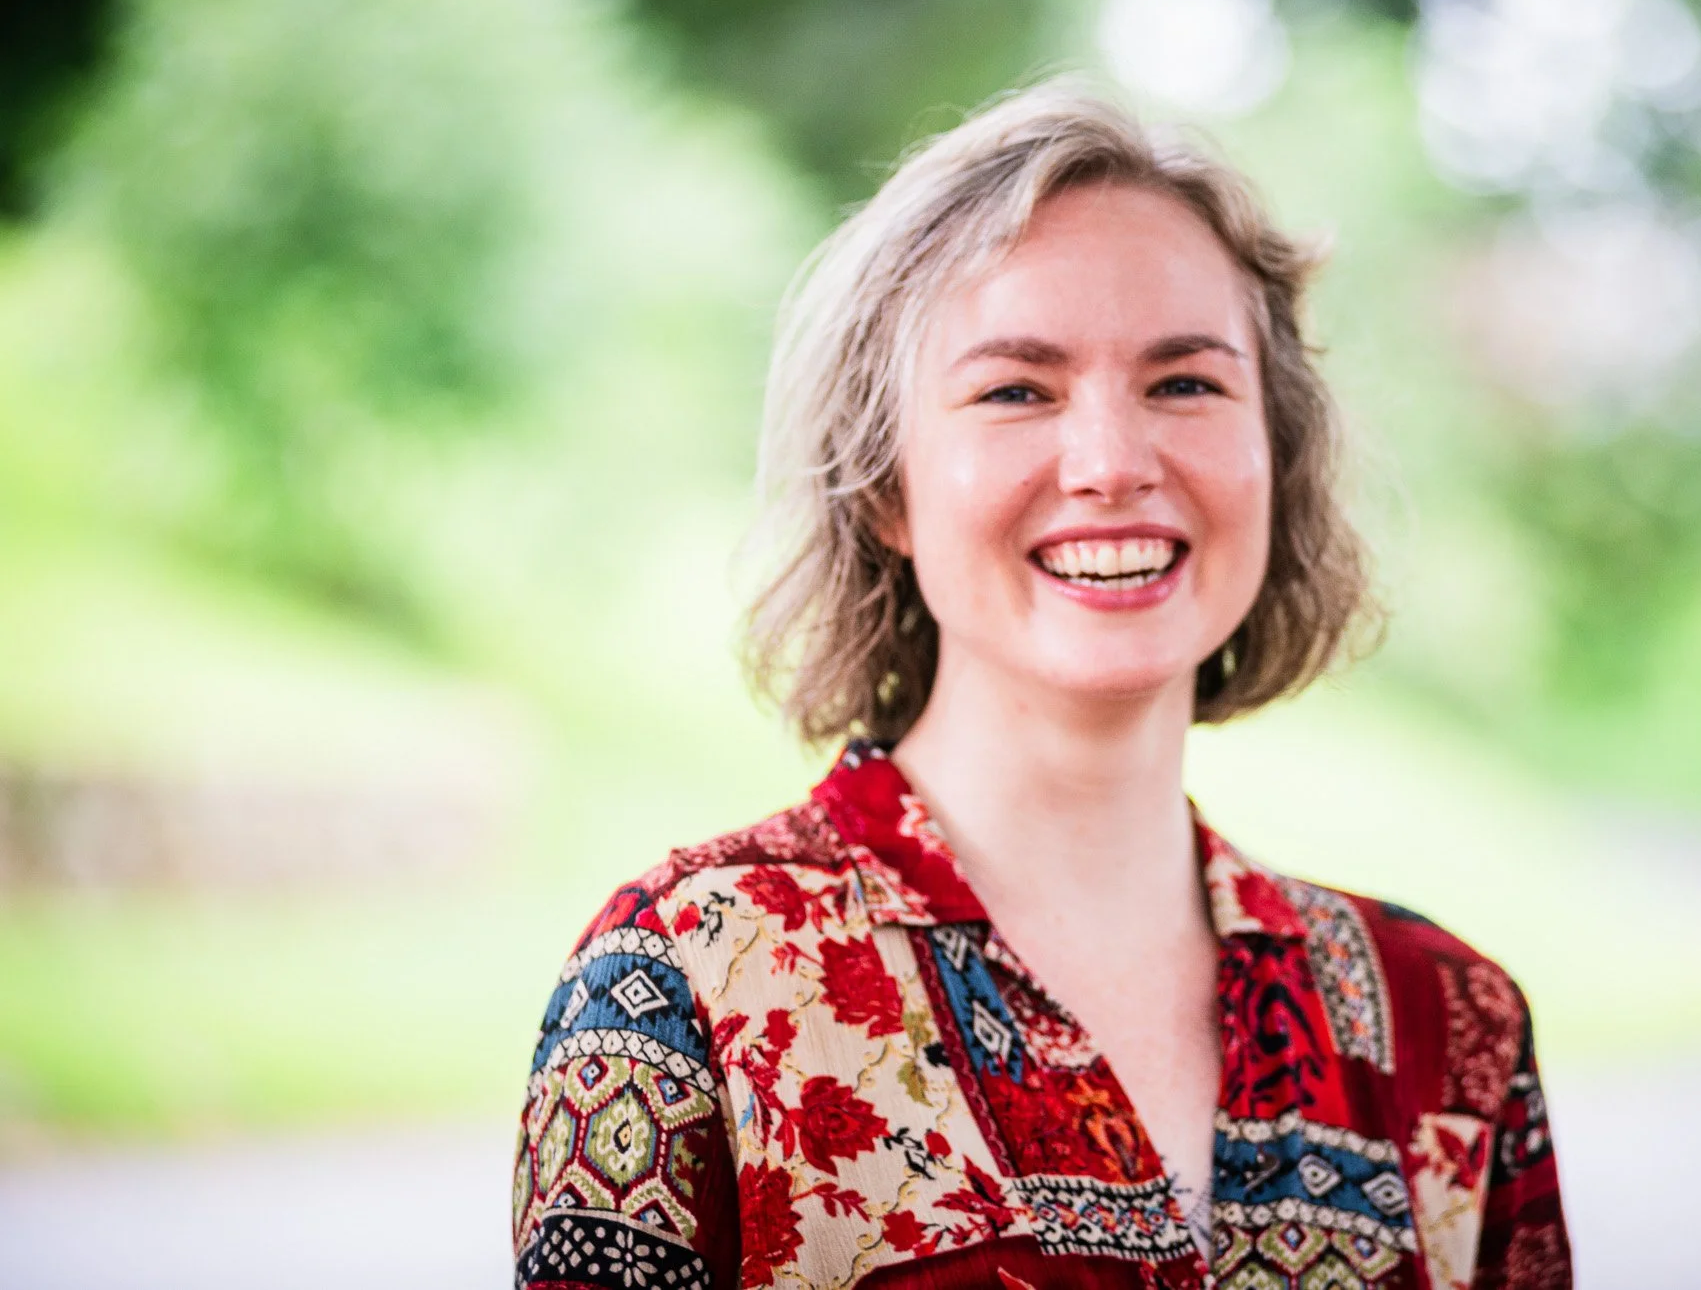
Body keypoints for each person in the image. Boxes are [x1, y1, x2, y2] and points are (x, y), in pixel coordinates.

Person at [510, 83, 1571, 1290]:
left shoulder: (1453, 1028)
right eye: (1016, 388)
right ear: (883, 487)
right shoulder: (685, 982)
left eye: (1185, 384)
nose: (1113, 464)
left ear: (1273, 453)